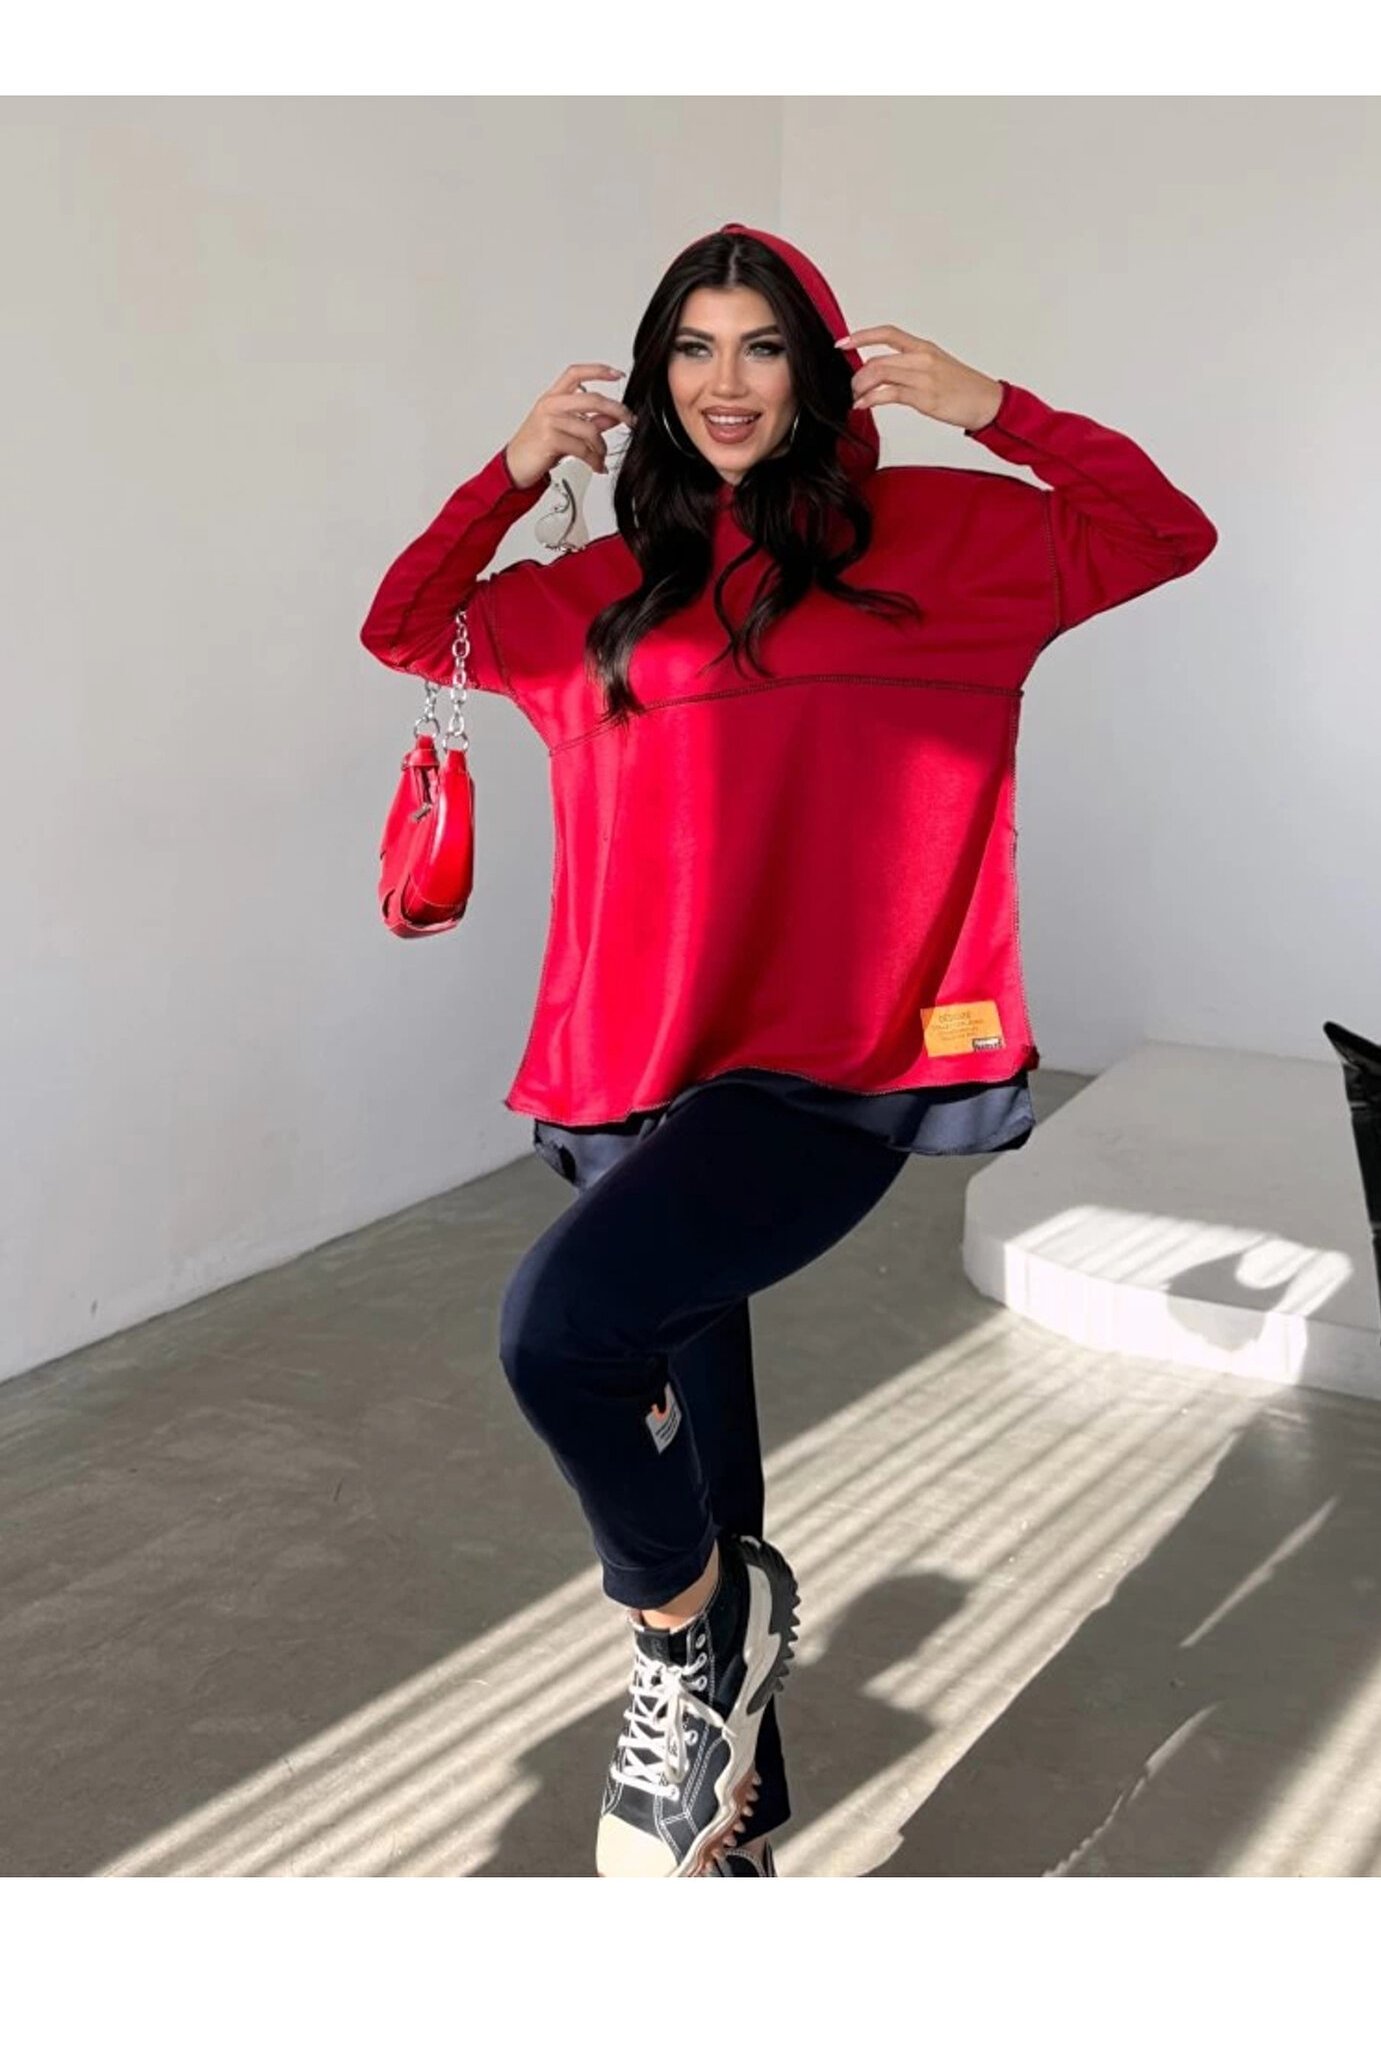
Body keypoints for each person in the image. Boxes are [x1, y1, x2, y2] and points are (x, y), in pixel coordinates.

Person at [359, 221, 1219, 1878]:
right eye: (693, 348)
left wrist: (998, 409)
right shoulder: (600, 593)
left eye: (763, 346)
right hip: (642, 1066)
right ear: (655, 377)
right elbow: (409, 626)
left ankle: (681, 1629)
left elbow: (1163, 531)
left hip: (833, 1067)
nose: (727, 382)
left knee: (561, 1332)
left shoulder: (945, 540)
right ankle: (732, 1826)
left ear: (819, 372)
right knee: (705, 1460)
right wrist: (511, 471)